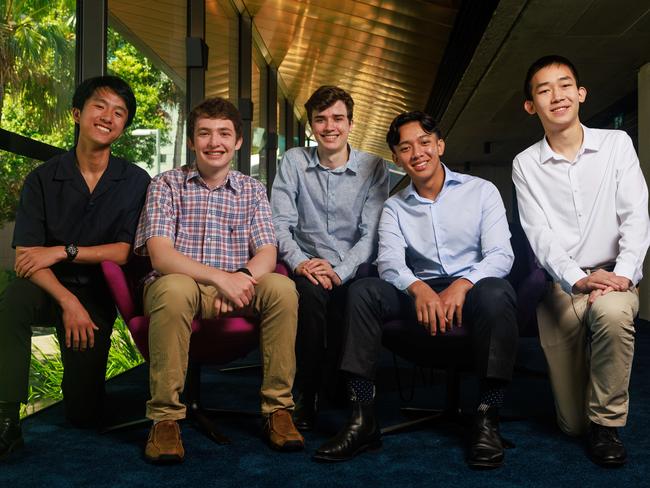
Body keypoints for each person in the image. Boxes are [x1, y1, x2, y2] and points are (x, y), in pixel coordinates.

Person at [314, 111, 518, 469]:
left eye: (424, 142)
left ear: (439, 145)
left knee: (497, 292)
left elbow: (501, 253)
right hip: (417, 291)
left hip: (473, 289)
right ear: (396, 158)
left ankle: (487, 418)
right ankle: (363, 419)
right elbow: (390, 261)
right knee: (363, 290)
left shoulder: (481, 191)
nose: (417, 153)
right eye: (405, 148)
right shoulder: (394, 207)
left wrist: (463, 284)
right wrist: (418, 288)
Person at [134, 97, 303, 463]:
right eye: (204, 134)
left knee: (283, 288)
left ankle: (278, 409)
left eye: (224, 133)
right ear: (192, 141)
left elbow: (267, 254)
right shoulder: (166, 185)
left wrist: (239, 279)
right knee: (176, 288)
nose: (215, 142)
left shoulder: (253, 190)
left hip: (237, 285)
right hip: (177, 285)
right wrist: (220, 279)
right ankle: (165, 419)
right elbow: (161, 257)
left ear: (239, 142)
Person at [0, 76, 151, 460]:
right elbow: (27, 259)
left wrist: (62, 251)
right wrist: (68, 302)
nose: (108, 117)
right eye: (100, 106)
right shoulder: (42, 179)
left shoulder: (135, 180)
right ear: (77, 114)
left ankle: (83, 390)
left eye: (119, 112)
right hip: (48, 288)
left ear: (123, 126)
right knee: (13, 300)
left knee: (84, 414)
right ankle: (7, 420)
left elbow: (121, 252)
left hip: (98, 294)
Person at [512, 55, 650, 467]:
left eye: (565, 84)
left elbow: (636, 215)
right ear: (530, 106)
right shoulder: (524, 164)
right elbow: (540, 236)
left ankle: (607, 426)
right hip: (562, 286)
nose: (557, 95)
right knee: (572, 424)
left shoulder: (616, 144)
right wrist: (577, 279)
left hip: (615, 277)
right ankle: (591, 403)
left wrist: (622, 276)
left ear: (581, 93)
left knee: (611, 315)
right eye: (544, 89)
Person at [271, 86, 388, 431]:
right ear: (311, 126)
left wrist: (339, 271)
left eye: (338, 118)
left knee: (355, 298)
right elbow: (279, 223)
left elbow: (373, 233)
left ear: (351, 124)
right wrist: (300, 263)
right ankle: (306, 394)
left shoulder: (373, 166)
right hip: (306, 265)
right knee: (306, 296)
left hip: (353, 268)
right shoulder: (293, 160)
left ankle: (348, 390)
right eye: (320, 120)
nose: (329, 126)